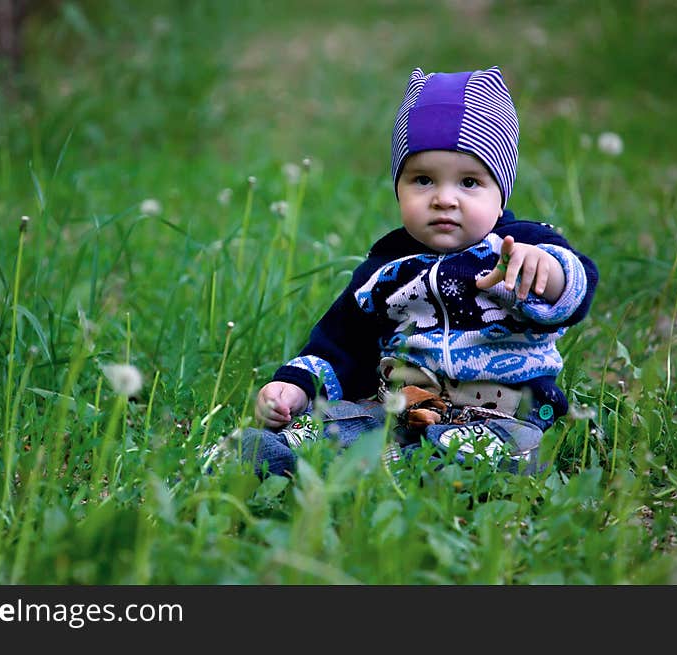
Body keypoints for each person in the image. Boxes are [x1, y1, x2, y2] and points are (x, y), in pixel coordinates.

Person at [240, 66, 599, 478]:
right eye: (423, 180)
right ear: (399, 189)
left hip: (501, 411)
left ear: (501, 195)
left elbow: (577, 290)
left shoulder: (521, 247)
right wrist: (296, 387)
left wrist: (549, 273)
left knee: (491, 454)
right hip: (399, 407)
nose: (444, 199)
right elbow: (340, 342)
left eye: (469, 182)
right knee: (338, 424)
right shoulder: (386, 268)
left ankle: (416, 468)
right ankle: (278, 455)